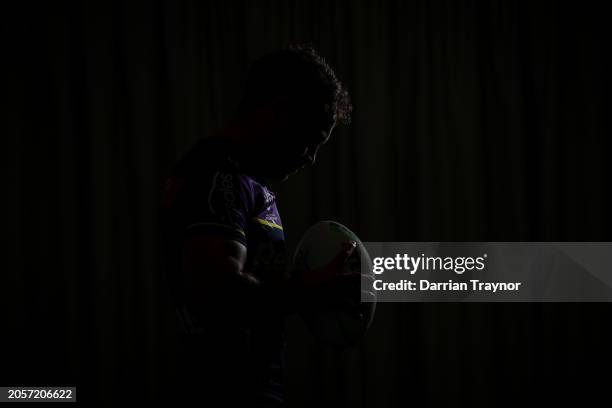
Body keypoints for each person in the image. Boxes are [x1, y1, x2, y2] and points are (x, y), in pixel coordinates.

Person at [159, 44, 355, 406]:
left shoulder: (250, 182)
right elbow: (217, 294)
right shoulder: (217, 173)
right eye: (311, 139)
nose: (310, 158)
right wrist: (312, 290)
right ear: (278, 113)